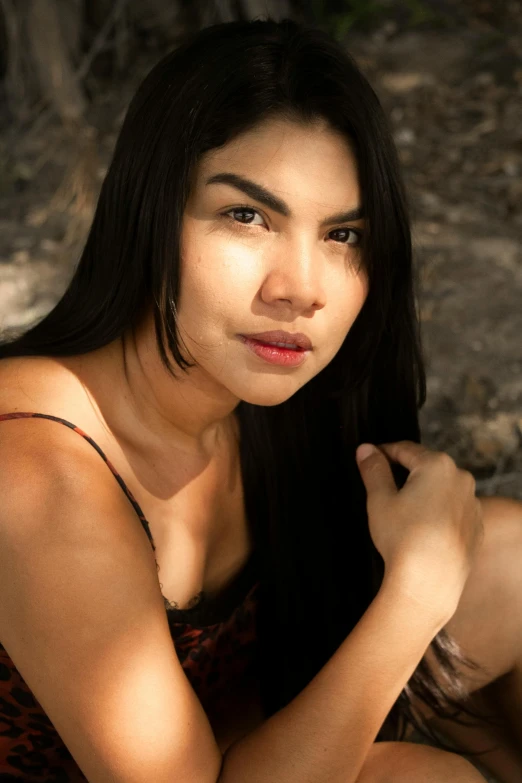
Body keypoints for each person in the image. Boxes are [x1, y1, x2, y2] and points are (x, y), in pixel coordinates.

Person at [0, 15, 520, 783]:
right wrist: (417, 593)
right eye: (246, 216)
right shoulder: (38, 473)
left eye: (342, 236)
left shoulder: (263, 406)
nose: (301, 289)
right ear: (151, 213)